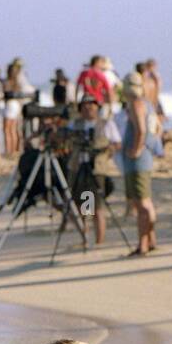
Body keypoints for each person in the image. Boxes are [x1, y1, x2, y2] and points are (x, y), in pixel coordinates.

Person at [69, 95, 122, 246]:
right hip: (79, 167)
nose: (89, 109)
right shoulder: (75, 124)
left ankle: (99, 240)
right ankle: (85, 238)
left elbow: (117, 143)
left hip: (97, 168)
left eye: (92, 106)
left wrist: (108, 149)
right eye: (85, 106)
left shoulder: (106, 124)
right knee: (83, 206)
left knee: (97, 206)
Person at [119, 73, 157, 256]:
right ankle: (150, 239)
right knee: (147, 202)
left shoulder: (136, 104)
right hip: (145, 158)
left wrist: (135, 149)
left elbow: (141, 130)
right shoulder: (147, 104)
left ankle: (143, 244)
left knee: (141, 203)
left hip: (137, 161)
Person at [2, 58, 33, 158]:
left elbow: (5, 95)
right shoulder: (19, 80)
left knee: (7, 129)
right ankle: (15, 149)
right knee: (14, 129)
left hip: (10, 105)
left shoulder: (8, 81)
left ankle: (9, 150)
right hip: (17, 105)